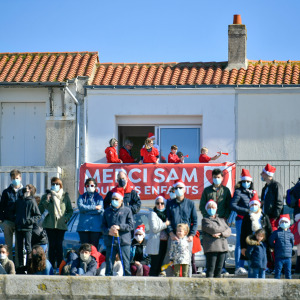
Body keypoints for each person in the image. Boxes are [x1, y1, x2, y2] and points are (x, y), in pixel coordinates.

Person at [39, 177, 73, 270]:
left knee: (59, 246)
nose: (55, 186)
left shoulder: (65, 196)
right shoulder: (46, 196)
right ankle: (51, 266)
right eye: (53, 184)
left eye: (57, 184)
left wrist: (65, 219)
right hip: (50, 225)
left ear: (60, 185)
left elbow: (70, 210)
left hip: (61, 225)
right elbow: (40, 210)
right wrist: (47, 200)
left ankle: (59, 267)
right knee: (52, 245)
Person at [166, 179, 197, 276]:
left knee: (187, 260)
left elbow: (195, 221)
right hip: (174, 237)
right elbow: (167, 220)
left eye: (181, 187)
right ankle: (172, 282)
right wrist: (171, 233)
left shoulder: (190, 204)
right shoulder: (170, 204)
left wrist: (192, 235)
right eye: (176, 188)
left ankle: (188, 281)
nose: (178, 189)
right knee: (172, 261)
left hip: (187, 238)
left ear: (184, 189)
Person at [102, 187, 134, 276]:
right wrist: (108, 231)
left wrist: (119, 227)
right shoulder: (107, 211)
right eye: (112, 199)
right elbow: (102, 226)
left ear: (121, 200)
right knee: (109, 264)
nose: (114, 201)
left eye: (116, 199)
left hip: (123, 241)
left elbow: (131, 225)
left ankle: (128, 282)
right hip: (110, 241)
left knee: (126, 265)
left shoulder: (127, 210)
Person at [230, 168, 254, 275]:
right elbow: (232, 205)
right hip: (241, 219)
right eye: (244, 181)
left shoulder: (253, 193)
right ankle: (239, 266)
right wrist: (246, 211)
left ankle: (250, 265)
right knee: (240, 243)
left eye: (248, 182)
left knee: (250, 242)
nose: (246, 183)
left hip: (251, 221)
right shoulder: (238, 192)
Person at [240, 192, 272, 267]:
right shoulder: (247, 217)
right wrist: (243, 247)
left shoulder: (264, 217)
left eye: (255, 204)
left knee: (262, 264)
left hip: (262, 243)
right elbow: (243, 233)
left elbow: (269, 231)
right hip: (250, 242)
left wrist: (270, 245)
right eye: (252, 205)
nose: (254, 206)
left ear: (259, 205)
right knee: (251, 265)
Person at [202, 200, 231, 278]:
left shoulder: (221, 220)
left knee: (219, 268)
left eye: (213, 207)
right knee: (211, 268)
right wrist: (223, 228)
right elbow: (212, 229)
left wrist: (221, 233)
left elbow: (229, 230)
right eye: (209, 207)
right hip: (211, 247)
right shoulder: (205, 220)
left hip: (222, 247)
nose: (211, 209)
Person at [0, 169, 22, 266]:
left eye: (17, 178)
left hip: (19, 222)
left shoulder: (24, 191)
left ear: (20, 178)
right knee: (8, 246)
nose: (15, 180)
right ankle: (9, 266)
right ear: (10, 179)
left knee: (18, 246)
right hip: (8, 221)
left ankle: (17, 267)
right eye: (13, 178)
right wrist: (2, 220)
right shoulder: (6, 192)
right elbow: (2, 207)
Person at [15, 184, 41, 267]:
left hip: (28, 228)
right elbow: (13, 211)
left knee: (28, 247)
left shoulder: (32, 201)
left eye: (28, 188)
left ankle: (29, 266)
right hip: (19, 227)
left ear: (31, 190)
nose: (26, 189)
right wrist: (16, 220)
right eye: (26, 187)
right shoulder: (19, 200)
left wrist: (29, 221)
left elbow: (38, 215)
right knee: (19, 248)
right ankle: (20, 266)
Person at [146, 194, 170, 276]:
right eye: (157, 203)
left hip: (165, 242)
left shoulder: (167, 214)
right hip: (156, 243)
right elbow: (155, 228)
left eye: (162, 203)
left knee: (162, 266)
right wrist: (165, 224)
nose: (160, 205)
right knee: (155, 266)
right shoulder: (153, 214)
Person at [77, 178, 104, 248]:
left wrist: (86, 210)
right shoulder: (81, 197)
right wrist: (95, 207)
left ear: (95, 187)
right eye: (88, 185)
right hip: (83, 228)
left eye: (92, 185)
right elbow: (81, 207)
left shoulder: (99, 197)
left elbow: (100, 210)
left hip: (95, 228)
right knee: (84, 249)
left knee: (93, 249)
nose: (90, 187)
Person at [269, 214, 294, 279]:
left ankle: (289, 287)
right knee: (277, 272)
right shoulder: (276, 233)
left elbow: (292, 244)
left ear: (288, 223)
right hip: (278, 256)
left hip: (288, 257)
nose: (284, 223)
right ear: (279, 223)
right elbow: (270, 241)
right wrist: (275, 247)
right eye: (282, 222)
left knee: (288, 273)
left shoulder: (291, 234)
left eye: (285, 222)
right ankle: (276, 287)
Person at [261, 164, 284, 231]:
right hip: (265, 216)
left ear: (266, 174)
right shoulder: (265, 188)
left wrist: (275, 216)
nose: (261, 175)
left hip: (272, 218)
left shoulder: (276, 186)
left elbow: (279, 202)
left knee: (272, 236)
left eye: (262, 173)